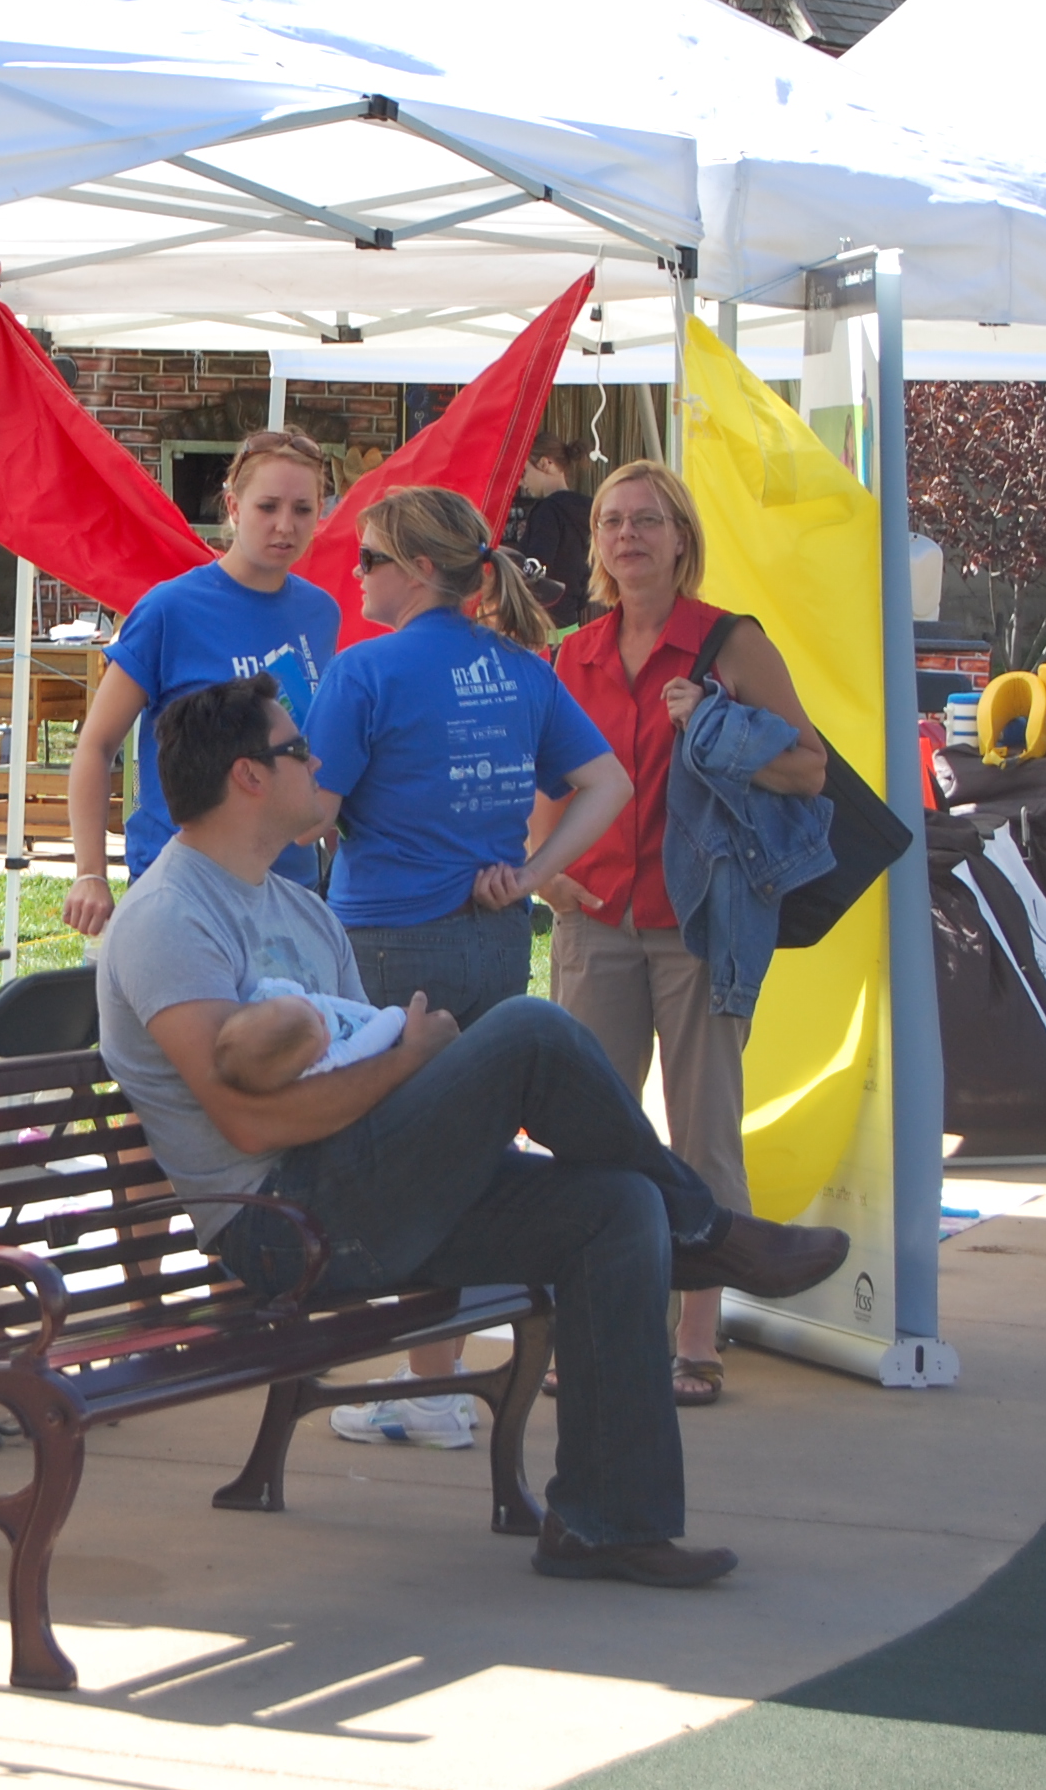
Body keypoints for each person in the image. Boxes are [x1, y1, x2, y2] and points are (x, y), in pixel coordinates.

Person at [96, 675, 848, 1587]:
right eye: (297, 749)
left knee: (617, 1208)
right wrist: (415, 1064)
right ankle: (710, 1230)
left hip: (360, 1186)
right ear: (249, 777)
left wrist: (432, 1093)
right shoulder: (169, 920)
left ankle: (608, 1526)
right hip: (282, 1224)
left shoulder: (301, 909)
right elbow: (248, 1124)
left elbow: (360, 1066)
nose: (317, 761)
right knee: (528, 1031)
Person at [296, 485, 634, 1446]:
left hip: (385, 942)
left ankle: (426, 1380)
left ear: (417, 569)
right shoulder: (519, 669)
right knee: (468, 1153)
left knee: (391, 1162)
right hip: (493, 940)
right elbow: (607, 782)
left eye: (368, 559)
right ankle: (435, 1378)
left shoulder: (364, 672)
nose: (356, 574)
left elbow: (311, 814)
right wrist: (531, 872)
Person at [541, 460, 826, 1409]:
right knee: (588, 1135)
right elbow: (548, 779)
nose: (628, 536)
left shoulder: (728, 643)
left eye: (648, 521)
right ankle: (592, 1328)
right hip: (595, 919)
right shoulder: (574, 654)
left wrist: (718, 725)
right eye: (612, 522)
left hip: (700, 920)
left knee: (703, 1134)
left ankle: (696, 1340)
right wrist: (548, 875)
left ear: (681, 539)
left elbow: (809, 769)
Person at [63, 429, 341, 935]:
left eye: (303, 509)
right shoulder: (168, 609)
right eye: (268, 507)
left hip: (290, 892)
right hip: (180, 891)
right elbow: (97, 745)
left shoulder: (321, 613)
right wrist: (90, 873)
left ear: (320, 511)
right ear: (233, 507)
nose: (285, 525)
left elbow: (319, 750)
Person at [212, 980, 405, 1091]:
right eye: (322, 1027)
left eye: (309, 1008)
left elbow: (318, 1000)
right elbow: (371, 1039)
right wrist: (396, 1014)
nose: (322, 1016)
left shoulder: (275, 1002)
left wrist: (372, 1013)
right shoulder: (330, 1060)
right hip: (388, 1040)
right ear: (314, 1061)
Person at [504, 442, 595, 630]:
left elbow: (535, 570)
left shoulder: (548, 511)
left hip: (543, 625)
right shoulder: (590, 510)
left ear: (545, 463)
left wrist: (504, 558)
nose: (521, 482)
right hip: (572, 621)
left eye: (524, 472)